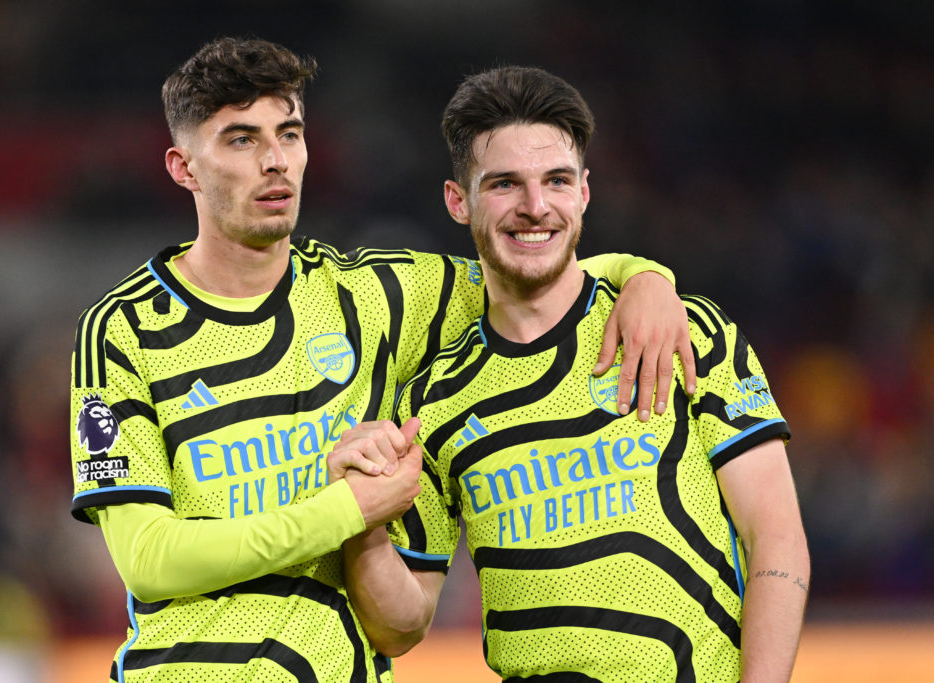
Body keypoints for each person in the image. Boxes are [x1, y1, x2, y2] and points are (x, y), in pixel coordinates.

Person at [69, 37, 693, 682]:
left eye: (289, 133)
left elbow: (534, 266)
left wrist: (644, 275)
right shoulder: (123, 328)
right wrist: (348, 510)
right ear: (183, 167)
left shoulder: (375, 297)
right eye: (240, 140)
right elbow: (150, 558)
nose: (276, 161)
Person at [338, 66, 810, 682]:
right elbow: (401, 628)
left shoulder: (683, 332)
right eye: (504, 184)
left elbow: (776, 540)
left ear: (584, 192)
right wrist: (361, 525)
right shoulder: (433, 399)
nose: (535, 208)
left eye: (555, 181)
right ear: (459, 201)